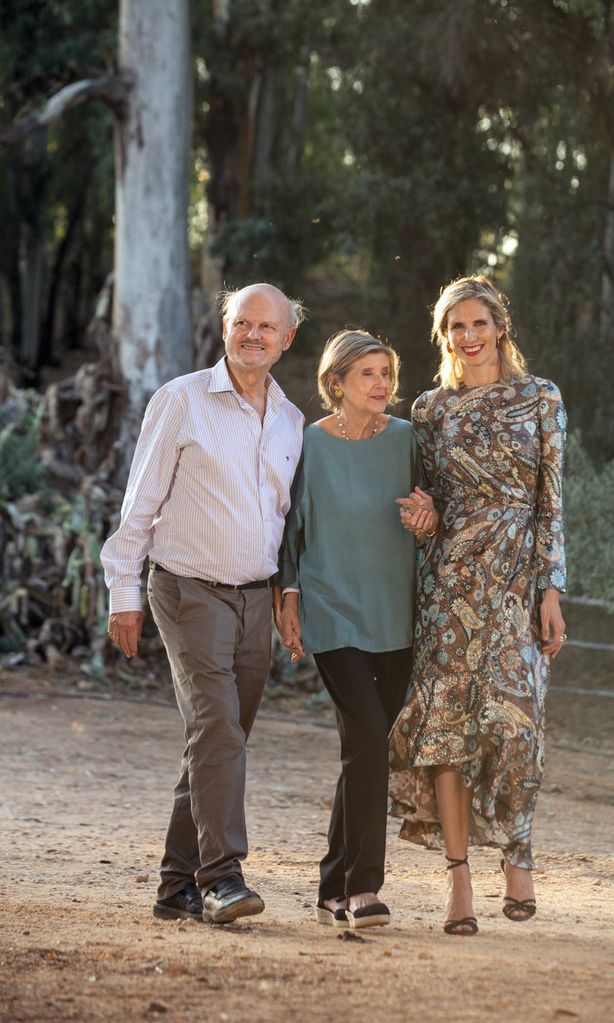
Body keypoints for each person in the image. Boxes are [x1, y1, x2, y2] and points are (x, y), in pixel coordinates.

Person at [101, 283, 304, 925]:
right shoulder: (181, 399)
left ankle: (173, 885)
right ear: (224, 329)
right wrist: (123, 594)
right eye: (242, 322)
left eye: (266, 327)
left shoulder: (292, 422)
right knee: (217, 730)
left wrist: (283, 600)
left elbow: (283, 521)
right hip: (187, 589)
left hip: (254, 600)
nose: (253, 335)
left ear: (287, 338)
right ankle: (221, 878)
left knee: (220, 740)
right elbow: (140, 506)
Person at [389, 275, 567, 936]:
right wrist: (426, 515)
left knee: (517, 726)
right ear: (445, 336)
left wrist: (552, 587)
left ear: (499, 327)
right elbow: (429, 501)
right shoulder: (431, 411)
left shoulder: (539, 398)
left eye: (478, 324)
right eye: (455, 327)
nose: (468, 337)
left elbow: (552, 501)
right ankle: (459, 882)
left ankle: (518, 852)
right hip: (448, 592)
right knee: (447, 738)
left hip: (518, 587)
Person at [278, 329, 437, 929]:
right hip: (332, 610)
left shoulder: (408, 440)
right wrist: (288, 595)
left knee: (365, 748)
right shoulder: (309, 444)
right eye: (367, 373)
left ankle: (330, 888)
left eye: (386, 373)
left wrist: (429, 516)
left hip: (397, 613)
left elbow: (433, 510)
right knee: (369, 734)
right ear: (336, 382)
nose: (381, 384)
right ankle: (365, 889)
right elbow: (288, 527)